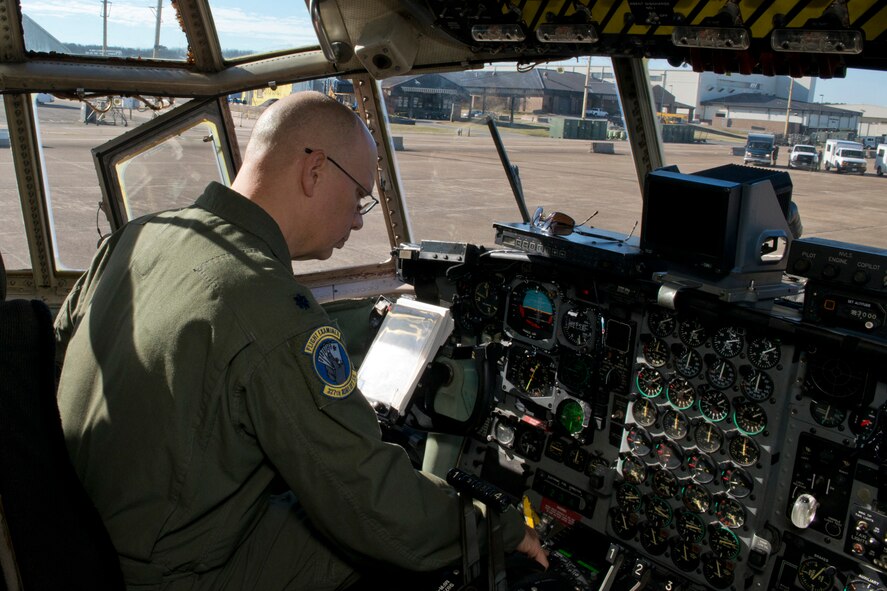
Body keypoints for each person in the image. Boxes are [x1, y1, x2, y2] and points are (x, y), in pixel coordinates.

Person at [54, 91, 547, 590]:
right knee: (379, 543)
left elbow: (58, 355)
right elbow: (370, 501)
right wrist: (499, 527)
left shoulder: (137, 235)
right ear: (314, 170)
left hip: (76, 534)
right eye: (359, 197)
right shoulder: (267, 303)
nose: (357, 220)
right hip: (167, 575)